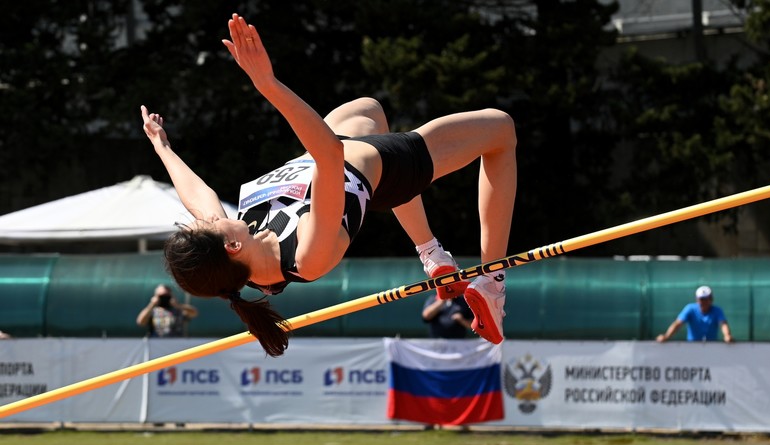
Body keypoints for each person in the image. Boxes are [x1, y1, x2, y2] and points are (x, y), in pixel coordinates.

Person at [139, 14, 516, 357]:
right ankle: (491, 281)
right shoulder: (308, 254)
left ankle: (431, 252)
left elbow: (199, 198)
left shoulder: (242, 254)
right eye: (207, 224)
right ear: (232, 246)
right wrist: (267, 85)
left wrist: (162, 146)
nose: (207, 216)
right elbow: (329, 156)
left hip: (340, 157)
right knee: (500, 129)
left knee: (368, 108)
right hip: (382, 166)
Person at [656, 286, 733, 343]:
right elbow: (678, 324)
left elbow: (723, 324)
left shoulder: (717, 310)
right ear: (697, 299)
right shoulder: (690, 308)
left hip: (711, 347)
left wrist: (727, 335)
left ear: (711, 299)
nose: (704, 302)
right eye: (701, 299)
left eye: (706, 299)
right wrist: (666, 336)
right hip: (692, 347)